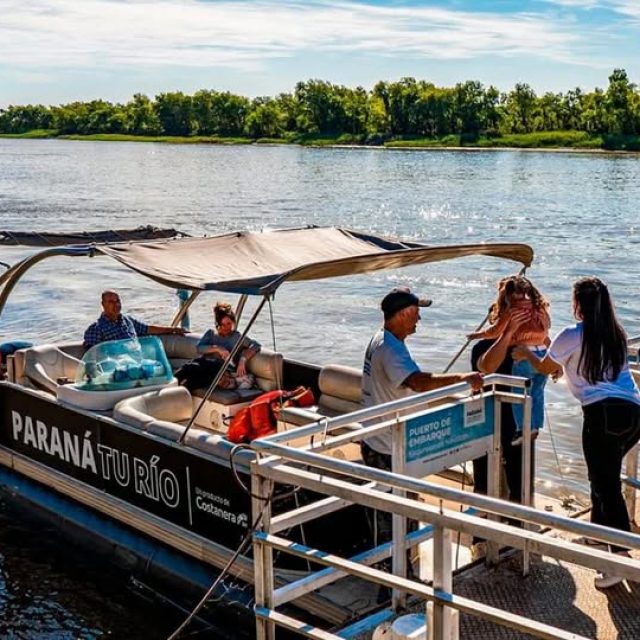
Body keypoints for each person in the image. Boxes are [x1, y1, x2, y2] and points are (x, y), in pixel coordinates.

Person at [513, 276, 640, 589]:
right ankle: (599, 537)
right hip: (633, 412)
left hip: (602, 413)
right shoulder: (615, 333)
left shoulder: (572, 333)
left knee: (605, 482)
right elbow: (562, 365)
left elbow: (546, 368)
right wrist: (547, 351)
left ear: (578, 304)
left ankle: (620, 560)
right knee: (603, 474)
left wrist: (525, 353)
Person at [360, 286, 484, 547]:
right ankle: (392, 580)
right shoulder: (391, 349)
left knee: (397, 511)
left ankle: (401, 569)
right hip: (387, 446)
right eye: (416, 313)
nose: (419, 319)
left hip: (380, 439)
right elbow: (416, 382)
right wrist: (462, 378)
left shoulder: (382, 339)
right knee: (393, 517)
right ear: (403, 314)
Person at [468, 275, 551, 446]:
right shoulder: (483, 347)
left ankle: (530, 427)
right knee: (536, 393)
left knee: (532, 394)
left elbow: (546, 339)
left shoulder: (523, 345)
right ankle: (531, 426)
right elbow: (488, 367)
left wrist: (554, 364)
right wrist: (509, 331)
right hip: (495, 421)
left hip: (516, 424)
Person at [83, 290, 186, 349]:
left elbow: (148, 329)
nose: (116, 305)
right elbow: (91, 356)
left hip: (136, 362)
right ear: (103, 304)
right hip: (115, 368)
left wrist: (173, 329)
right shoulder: (95, 329)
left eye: (118, 301)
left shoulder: (128, 321)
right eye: (111, 302)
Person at [197, 301, 261, 388]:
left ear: (233, 323)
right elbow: (199, 348)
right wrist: (218, 348)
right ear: (218, 324)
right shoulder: (211, 334)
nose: (226, 327)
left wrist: (243, 359)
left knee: (246, 380)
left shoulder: (237, 337)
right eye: (223, 324)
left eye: (229, 324)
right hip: (210, 370)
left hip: (228, 373)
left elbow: (256, 345)